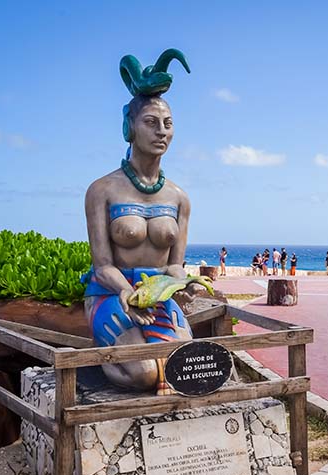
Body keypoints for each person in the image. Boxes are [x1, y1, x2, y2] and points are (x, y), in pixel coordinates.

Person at [82, 50, 193, 394]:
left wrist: (182, 285)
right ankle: (110, 356)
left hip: (159, 298)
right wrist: (126, 292)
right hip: (112, 294)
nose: (161, 132)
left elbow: (175, 266)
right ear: (129, 126)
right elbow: (102, 266)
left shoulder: (178, 198)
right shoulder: (102, 190)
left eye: (168, 124)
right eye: (150, 122)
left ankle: (145, 355)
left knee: (185, 368)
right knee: (146, 372)